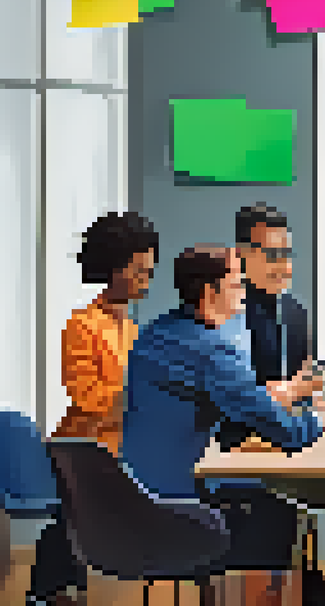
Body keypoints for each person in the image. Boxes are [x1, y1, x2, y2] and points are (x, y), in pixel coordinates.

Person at [119, 245, 325, 605]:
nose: (245, 289)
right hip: (184, 513)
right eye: (237, 283)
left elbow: (217, 402)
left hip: (141, 501)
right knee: (287, 505)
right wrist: (317, 419)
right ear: (210, 292)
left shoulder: (156, 334)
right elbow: (290, 434)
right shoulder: (212, 350)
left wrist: (266, 397)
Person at [29, 212, 157, 605]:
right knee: (74, 520)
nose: (146, 280)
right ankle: (48, 592)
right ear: (113, 270)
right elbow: (89, 401)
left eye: (149, 271)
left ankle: (62, 589)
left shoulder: (134, 331)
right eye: (138, 271)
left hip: (123, 449)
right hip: (84, 450)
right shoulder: (81, 326)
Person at [218, 203, 325, 448]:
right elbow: (230, 400)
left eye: (287, 254)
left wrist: (315, 402)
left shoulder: (295, 312)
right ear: (240, 254)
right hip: (231, 451)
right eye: (272, 255)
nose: (284, 267)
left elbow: (306, 388)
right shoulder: (222, 313)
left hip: (288, 443)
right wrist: (293, 390)